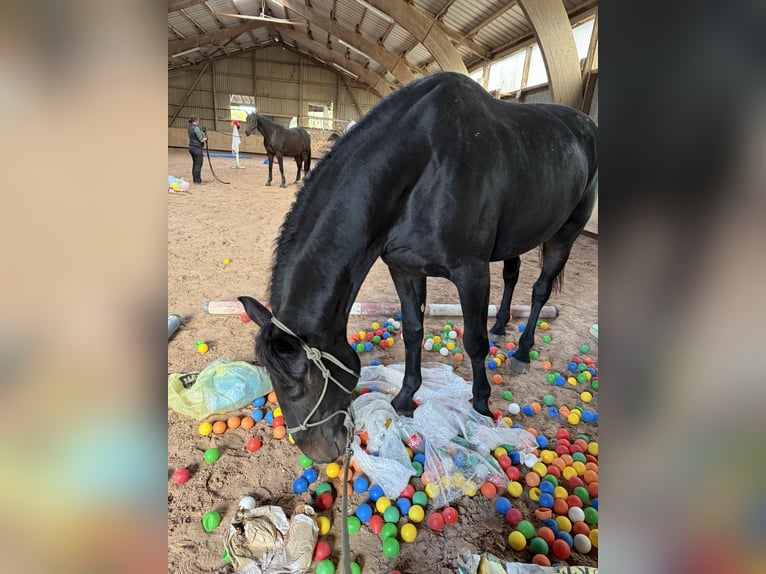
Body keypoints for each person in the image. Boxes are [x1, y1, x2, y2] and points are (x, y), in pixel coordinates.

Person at [187, 115, 207, 184]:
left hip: (191, 147)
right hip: (197, 148)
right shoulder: (196, 128)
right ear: (196, 120)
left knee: (195, 164)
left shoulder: (189, 127)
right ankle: (198, 181)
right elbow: (201, 139)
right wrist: (206, 138)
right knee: (198, 164)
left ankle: (195, 180)